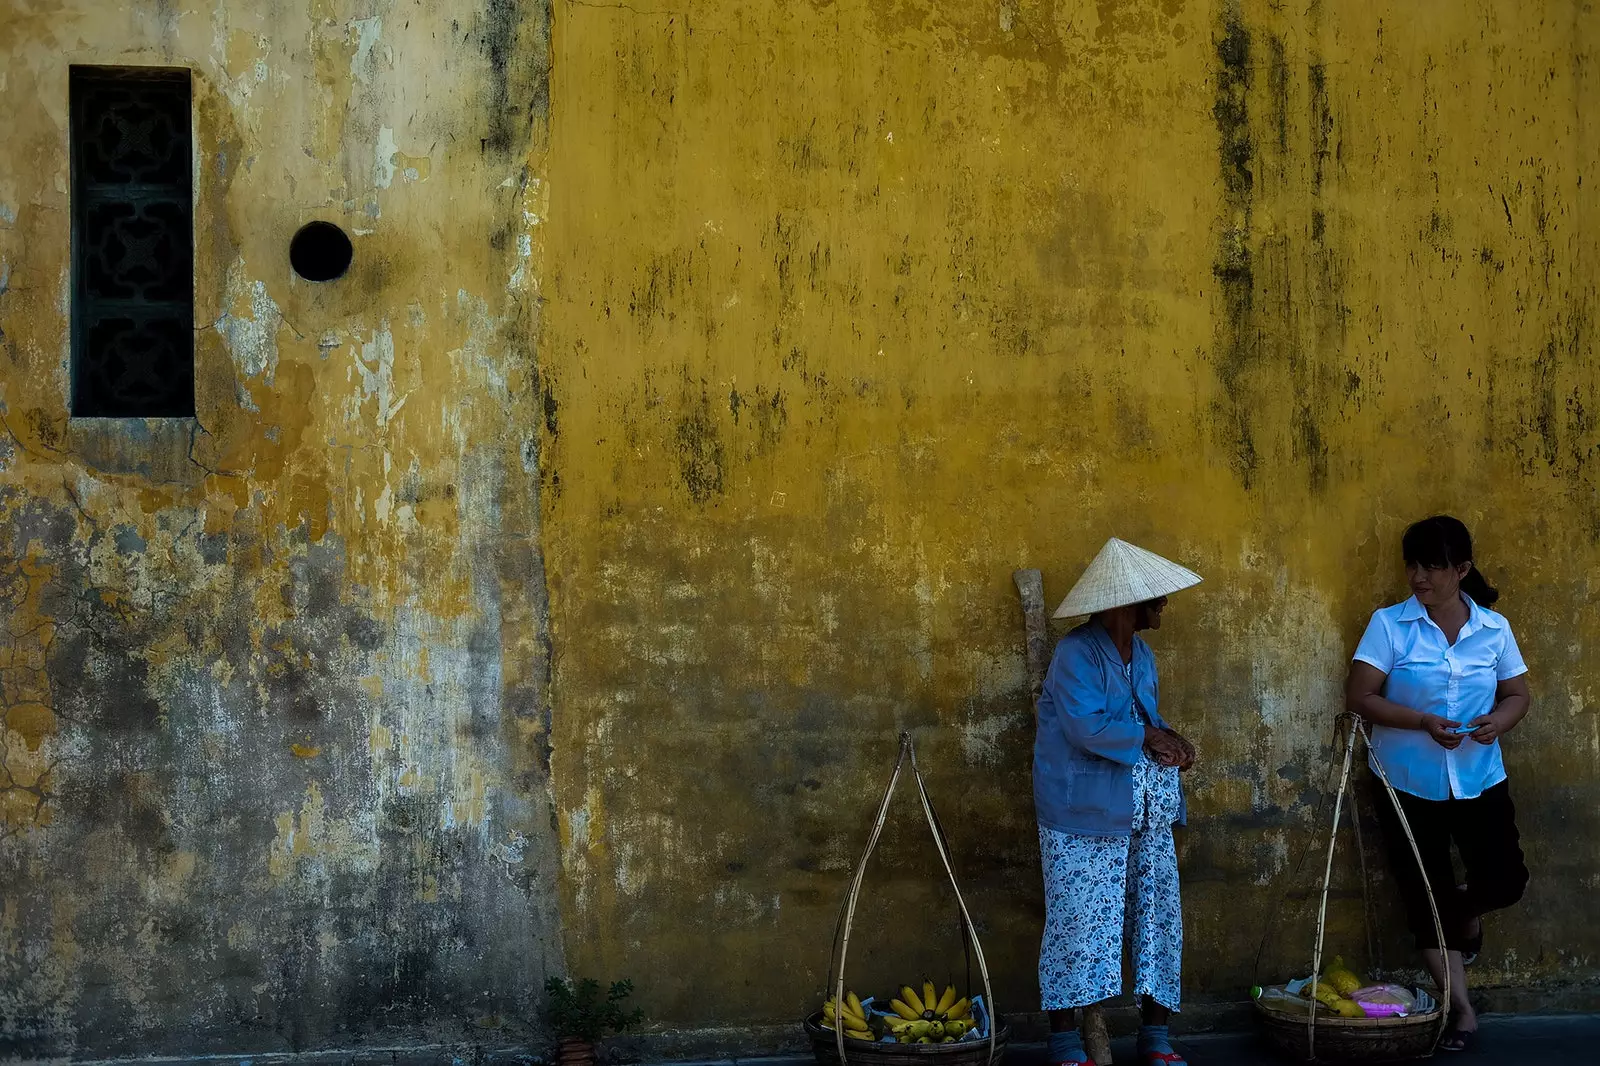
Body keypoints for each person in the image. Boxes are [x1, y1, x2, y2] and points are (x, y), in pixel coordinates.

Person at [1345, 515, 1531, 1053]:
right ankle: (1461, 1011)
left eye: (1431, 565)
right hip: (1406, 783)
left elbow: (1518, 694)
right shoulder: (1390, 625)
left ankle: (1464, 913)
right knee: (1424, 896)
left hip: (1479, 777)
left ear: (1462, 570)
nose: (1418, 576)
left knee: (1507, 880)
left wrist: (1501, 720)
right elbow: (1359, 698)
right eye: (1413, 564)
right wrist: (1422, 721)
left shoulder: (1493, 629)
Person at [1035, 537, 1203, 1066]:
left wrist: (1170, 736)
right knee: (1078, 924)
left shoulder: (1143, 652)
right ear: (1123, 604)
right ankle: (1066, 1042)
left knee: (1159, 921)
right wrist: (1150, 739)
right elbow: (1086, 728)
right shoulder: (1075, 653)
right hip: (1083, 814)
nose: (1163, 605)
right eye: (1154, 597)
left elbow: (1144, 715)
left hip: (1144, 812)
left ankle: (1155, 1037)